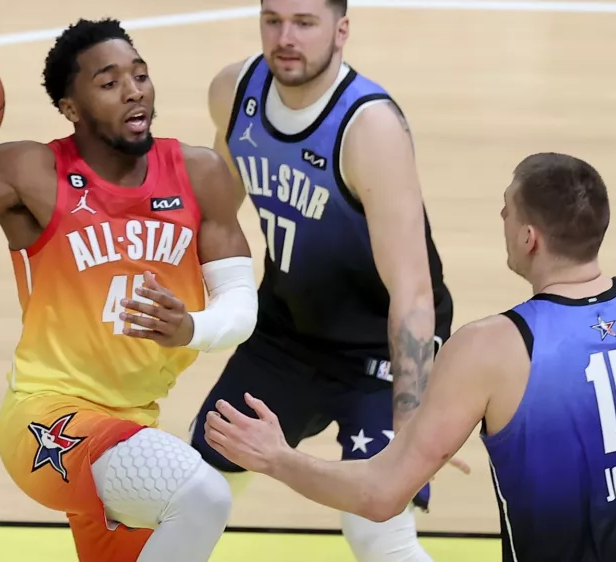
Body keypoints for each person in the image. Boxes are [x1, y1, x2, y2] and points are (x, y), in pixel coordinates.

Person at [204, 153, 616, 562]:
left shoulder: (492, 346)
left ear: (529, 238)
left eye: (507, 209)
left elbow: (381, 495)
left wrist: (277, 457)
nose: (501, 216)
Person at [0, 19, 259, 562]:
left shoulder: (200, 173)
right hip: (47, 420)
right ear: (71, 107)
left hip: (133, 424)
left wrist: (193, 327)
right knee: (201, 494)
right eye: (109, 82)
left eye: (140, 75)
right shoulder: (30, 173)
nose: (134, 90)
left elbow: (240, 305)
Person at [187, 0, 465, 560]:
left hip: (380, 348)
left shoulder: (370, 128)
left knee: (376, 530)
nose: (285, 37)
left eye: (305, 23)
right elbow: (218, 211)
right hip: (286, 332)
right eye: (273, 20)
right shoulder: (233, 92)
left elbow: (412, 291)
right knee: (192, 490)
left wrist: (412, 425)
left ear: (341, 31)